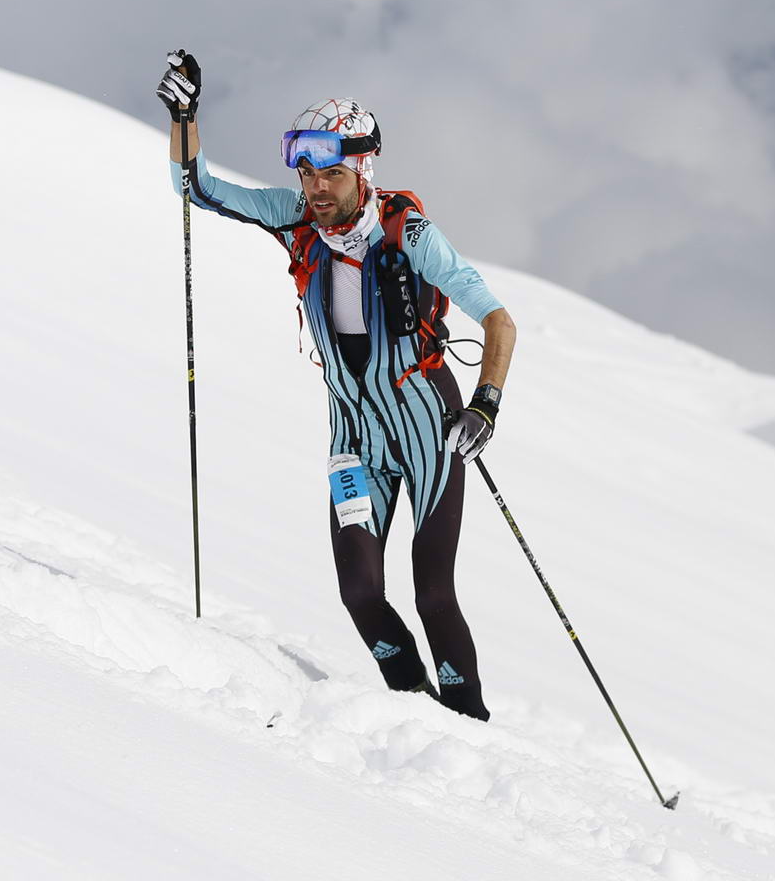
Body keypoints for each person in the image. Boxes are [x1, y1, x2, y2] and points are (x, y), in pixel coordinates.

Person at [158, 49, 516, 721]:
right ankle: (413, 709)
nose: (315, 188)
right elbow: (197, 188)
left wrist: (486, 404)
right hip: (354, 434)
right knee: (359, 592)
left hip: (426, 426)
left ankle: (471, 727)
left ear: (363, 170)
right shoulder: (295, 220)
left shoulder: (405, 231)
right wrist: (185, 117)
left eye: (330, 173)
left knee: (433, 592)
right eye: (305, 173)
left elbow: (498, 319)